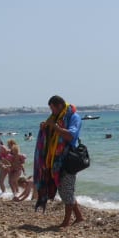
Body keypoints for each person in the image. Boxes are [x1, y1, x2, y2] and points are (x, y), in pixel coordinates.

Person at [33, 95, 84, 227]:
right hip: (56, 160)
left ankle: (66, 222)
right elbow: (51, 133)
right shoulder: (56, 118)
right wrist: (45, 127)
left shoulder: (74, 117)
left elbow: (70, 135)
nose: (52, 112)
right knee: (63, 188)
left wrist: (54, 127)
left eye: (53, 108)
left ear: (60, 106)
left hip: (68, 158)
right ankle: (79, 217)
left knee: (66, 189)